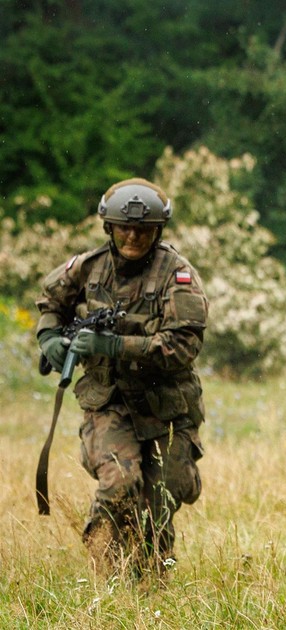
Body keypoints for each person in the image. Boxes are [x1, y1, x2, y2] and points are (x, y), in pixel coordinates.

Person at [36, 178, 208, 580]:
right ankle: (108, 579)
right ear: (108, 228)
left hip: (167, 405)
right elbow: (50, 301)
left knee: (161, 499)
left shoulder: (178, 276)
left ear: (157, 230)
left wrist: (117, 346)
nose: (132, 236)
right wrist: (49, 337)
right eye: (123, 227)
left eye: (143, 229)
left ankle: (151, 584)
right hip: (108, 400)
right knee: (119, 483)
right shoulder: (88, 266)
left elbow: (182, 346)